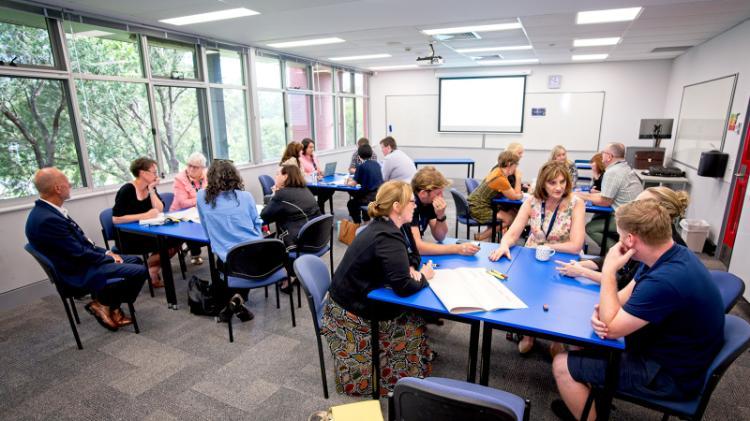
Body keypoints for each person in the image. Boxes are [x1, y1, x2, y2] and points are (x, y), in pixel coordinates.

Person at [551, 200, 724, 421]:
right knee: (581, 341)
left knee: (561, 365)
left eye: (620, 235)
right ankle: (587, 405)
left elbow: (611, 329)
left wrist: (610, 271)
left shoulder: (665, 281)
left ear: (630, 239)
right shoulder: (665, 254)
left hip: (669, 374)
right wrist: (603, 313)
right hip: (668, 349)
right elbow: (621, 299)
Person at [322, 180, 435, 396]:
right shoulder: (386, 236)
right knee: (411, 323)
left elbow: (413, 255)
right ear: (396, 206)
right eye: (411, 202)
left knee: (413, 318)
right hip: (350, 313)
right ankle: (399, 384)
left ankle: (404, 373)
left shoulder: (389, 227)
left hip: (351, 300)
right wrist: (424, 276)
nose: (415, 205)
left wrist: (410, 266)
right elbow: (403, 286)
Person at [26, 168, 147, 331]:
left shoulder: (49, 211)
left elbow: (80, 244)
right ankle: (103, 304)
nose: (70, 184)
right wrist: (110, 259)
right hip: (77, 271)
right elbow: (78, 253)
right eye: (66, 182)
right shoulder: (47, 219)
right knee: (139, 271)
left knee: (136, 260)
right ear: (57, 189)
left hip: (80, 262)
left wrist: (106, 253)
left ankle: (111, 305)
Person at [489, 161, 585, 355]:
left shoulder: (576, 203)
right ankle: (528, 335)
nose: (559, 187)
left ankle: (557, 339)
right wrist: (504, 245)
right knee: (530, 293)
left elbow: (576, 244)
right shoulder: (532, 201)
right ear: (543, 184)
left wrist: (546, 246)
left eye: (562, 182)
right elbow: (514, 232)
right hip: (533, 255)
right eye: (552, 183)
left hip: (563, 256)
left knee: (559, 298)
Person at [556, 187, 689, 287]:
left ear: (656, 212)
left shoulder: (659, 248)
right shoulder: (648, 233)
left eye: (639, 205)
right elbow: (616, 260)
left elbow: (624, 283)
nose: (633, 207)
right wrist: (580, 265)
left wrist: (582, 272)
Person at [196, 160, 264, 319]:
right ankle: (237, 299)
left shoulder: (201, 197)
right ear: (235, 176)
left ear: (210, 177)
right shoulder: (245, 196)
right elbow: (257, 223)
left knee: (224, 262)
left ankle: (231, 302)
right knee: (241, 259)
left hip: (230, 259)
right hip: (259, 256)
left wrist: (216, 240)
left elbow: (206, 227)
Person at [112, 157, 171, 289]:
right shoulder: (127, 190)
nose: (156, 175)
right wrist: (144, 215)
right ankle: (146, 271)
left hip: (149, 232)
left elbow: (160, 209)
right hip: (130, 237)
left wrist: (151, 190)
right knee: (166, 243)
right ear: (143, 173)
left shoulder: (150, 188)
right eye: (154, 172)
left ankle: (149, 270)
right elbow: (115, 218)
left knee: (174, 241)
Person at [577, 142, 643, 251]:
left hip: (628, 218)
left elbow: (605, 201)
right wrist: (589, 195)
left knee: (590, 229)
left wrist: (580, 195)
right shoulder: (624, 167)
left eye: (603, 153)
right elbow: (608, 196)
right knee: (597, 217)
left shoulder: (613, 172)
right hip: (635, 214)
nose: (601, 156)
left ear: (609, 156)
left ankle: (620, 252)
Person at [410, 166, 479, 256]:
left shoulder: (428, 202)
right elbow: (418, 248)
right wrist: (457, 249)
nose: (441, 197)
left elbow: (440, 237)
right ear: (423, 194)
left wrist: (440, 216)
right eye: (438, 193)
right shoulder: (410, 205)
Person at [261, 164, 321, 249]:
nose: (275, 177)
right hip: (317, 237)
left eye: (278, 174)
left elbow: (264, 215)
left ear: (285, 177)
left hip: (297, 242)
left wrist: (275, 194)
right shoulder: (305, 189)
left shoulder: (282, 194)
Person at [468, 151, 524, 241]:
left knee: (512, 212)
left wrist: (517, 194)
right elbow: (515, 196)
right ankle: (480, 237)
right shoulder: (500, 178)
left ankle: (487, 236)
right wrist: (518, 178)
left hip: (475, 204)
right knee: (510, 219)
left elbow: (513, 193)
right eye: (516, 165)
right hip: (478, 209)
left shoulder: (497, 171)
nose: (516, 168)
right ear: (510, 164)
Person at [171, 152, 208, 265]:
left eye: (195, 167)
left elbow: (212, 193)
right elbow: (183, 203)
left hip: (199, 211)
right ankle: (195, 252)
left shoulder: (207, 176)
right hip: (180, 214)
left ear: (202, 168)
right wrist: (200, 200)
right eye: (189, 165)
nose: (191, 169)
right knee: (193, 227)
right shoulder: (179, 179)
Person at [346, 144, 383, 223]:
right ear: (371, 153)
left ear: (359, 156)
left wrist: (347, 182)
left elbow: (353, 183)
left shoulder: (361, 167)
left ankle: (357, 223)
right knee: (360, 197)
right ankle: (366, 220)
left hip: (368, 198)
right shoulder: (377, 164)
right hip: (379, 197)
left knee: (351, 203)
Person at [299, 138, 332, 213]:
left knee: (330, 189)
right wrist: (314, 175)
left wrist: (321, 172)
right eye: (310, 147)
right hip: (309, 185)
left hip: (317, 181)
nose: (312, 149)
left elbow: (318, 170)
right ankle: (319, 209)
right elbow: (302, 175)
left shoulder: (314, 156)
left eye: (313, 147)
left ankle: (318, 206)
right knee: (324, 190)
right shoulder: (300, 159)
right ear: (304, 148)